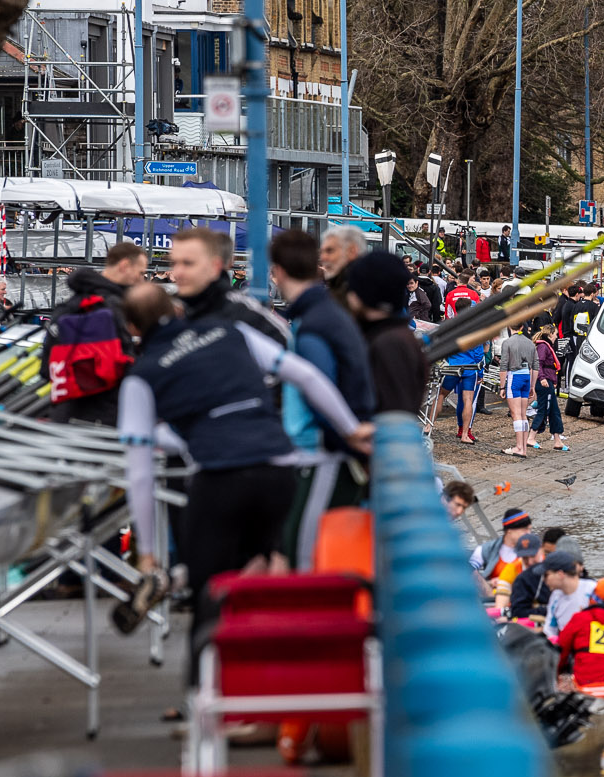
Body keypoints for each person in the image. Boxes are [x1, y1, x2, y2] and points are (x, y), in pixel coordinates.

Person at [114, 283, 370, 666]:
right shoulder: (230, 332)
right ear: (177, 310)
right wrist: (351, 430)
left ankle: (207, 694)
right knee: (267, 574)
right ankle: (280, 683)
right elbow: (306, 377)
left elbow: (139, 473)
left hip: (218, 480)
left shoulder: (141, 376)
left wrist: (148, 556)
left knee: (211, 592)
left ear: (133, 329)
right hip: (278, 470)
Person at [270, 229, 377, 564]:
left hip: (322, 454)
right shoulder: (329, 313)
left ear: (278, 271)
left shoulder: (312, 322)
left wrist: (344, 438)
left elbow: (321, 386)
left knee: (304, 552)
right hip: (330, 449)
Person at [43, 240, 146, 426]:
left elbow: (45, 368)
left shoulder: (72, 303)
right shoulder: (111, 308)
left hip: (64, 409)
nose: (141, 280)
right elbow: (122, 366)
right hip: (100, 417)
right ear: (125, 266)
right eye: (140, 273)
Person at [342, 251, 432, 415]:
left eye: (353, 289)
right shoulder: (388, 335)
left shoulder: (389, 342)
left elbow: (395, 414)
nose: (349, 296)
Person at [167, 226, 290, 345]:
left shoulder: (243, 313)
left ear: (215, 266)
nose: (178, 272)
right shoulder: (165, 310)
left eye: (188, 263)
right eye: (173, 263)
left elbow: (285, 348)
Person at [430, 299, 486, 444]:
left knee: (441, 395)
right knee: (468, 400)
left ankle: (427, 427)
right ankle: (465, 435)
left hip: (452, 367)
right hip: (470, 368)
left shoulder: (450, 326)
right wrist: (480, 374)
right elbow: (479, 354)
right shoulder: (475, 327)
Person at [498, 323, 539, 457]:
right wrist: (532, 386)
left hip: (514, 377)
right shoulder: (530, 343)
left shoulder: (507, 342)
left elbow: (504, 365)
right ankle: (523, 449)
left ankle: (519, 447)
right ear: (522, 327)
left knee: (516, 415)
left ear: (510, 327)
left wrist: (502, 386)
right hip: (526, 376)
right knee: (523, 414)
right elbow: (535, 365)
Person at [531, 323, 568, 452]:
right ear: (550, 334)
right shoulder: (543, 347)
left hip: (549, 383)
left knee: (554, 412)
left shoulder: (547, 347)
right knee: (543, 410)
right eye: (556, 334)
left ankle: (557, 440)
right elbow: (538, 364)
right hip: (544, 384)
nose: (557, 337)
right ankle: (531, 437)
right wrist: (542, 378)